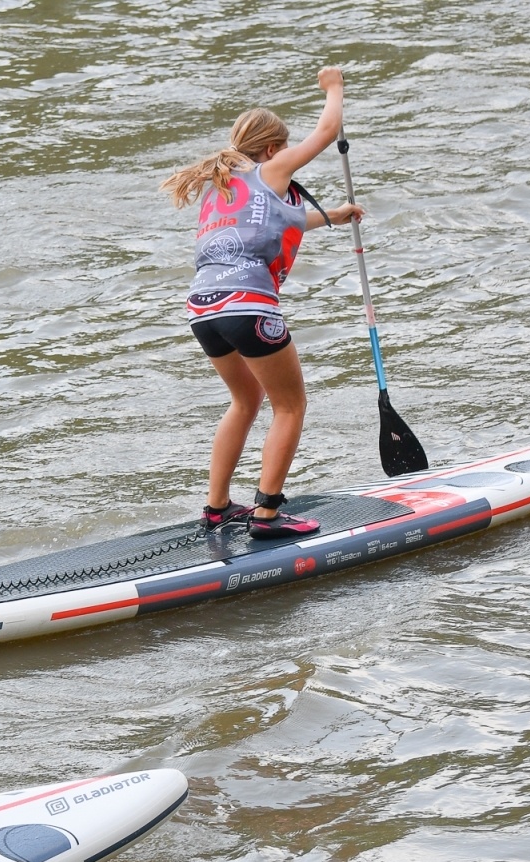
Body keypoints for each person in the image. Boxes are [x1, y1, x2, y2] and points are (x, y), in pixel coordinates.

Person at [161, 67, 365, 539]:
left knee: (245, 400)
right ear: (272, 149)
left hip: (203, 309)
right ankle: (268, 515)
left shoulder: (221, 188)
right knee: (290, 406)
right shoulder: (270, 170)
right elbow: (327, 130)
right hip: (248, 306)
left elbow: (266, 224)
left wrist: (330, 216)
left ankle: (217, 508)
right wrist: (334, 87)